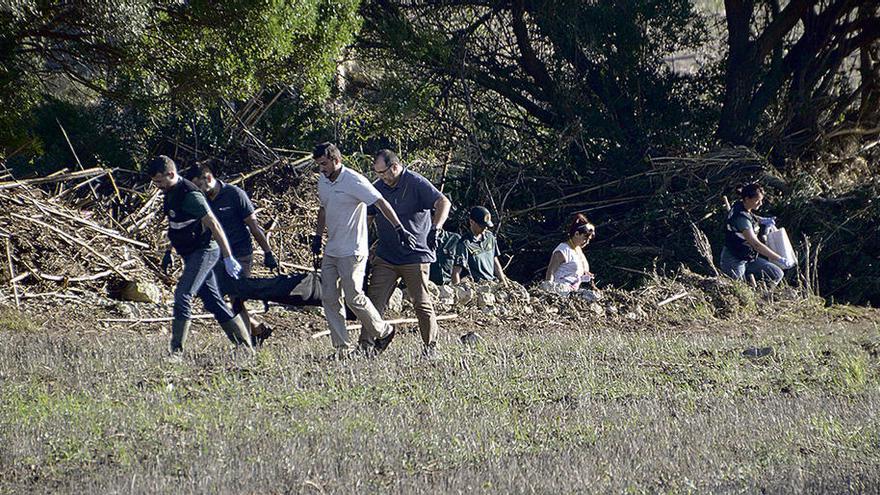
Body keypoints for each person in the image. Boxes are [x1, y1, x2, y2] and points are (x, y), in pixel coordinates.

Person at [311, 142, 415, 359]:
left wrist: (399, 228)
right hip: (332, 250)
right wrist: (318, 237)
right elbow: (323, 209)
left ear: (336, 160)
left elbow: (380, 202)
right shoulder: (323, 180)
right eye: (319, 165)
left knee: (354, 297)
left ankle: (384, 331)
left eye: (324, 164)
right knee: (329, 298)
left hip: (353, 250)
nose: (322, 169)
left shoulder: (354, 180)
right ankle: (342, 349)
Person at [148, 155, 252, 356]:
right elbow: (176, 225)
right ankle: (245, 348)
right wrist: (168, 251)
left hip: (204, 251)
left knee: (183, 295)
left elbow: (214, 224)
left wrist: (228, 257)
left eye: (160, 181)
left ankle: (176, 352)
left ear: (171, 173)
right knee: (213, 301)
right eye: (155, 182)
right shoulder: (170, 192)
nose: (158, 186)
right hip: (189, 252)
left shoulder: (190, 194)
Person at [366, 149, 452, 358]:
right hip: (386, 256)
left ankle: (431, 348)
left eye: (383, 172)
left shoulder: (415, 183)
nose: (380, 177)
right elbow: (367, 217)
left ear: (394, 167)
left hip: (415, 255)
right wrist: (363, 248)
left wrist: (436, 228)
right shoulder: (377, 189)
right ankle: (365, 346)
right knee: (373, 302)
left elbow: (443, 202)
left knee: (421, 302)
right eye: (377, 173)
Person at [186, 162, 278, 344]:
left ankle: (245, 343)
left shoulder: (235, 195)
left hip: (240, 254)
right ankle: (257, 329)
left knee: (236, 298)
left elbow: (254, 227)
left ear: (209, 179)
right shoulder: (200, 200)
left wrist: (268, 252)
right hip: (216, 256)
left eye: (198, 186)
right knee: (215, 299)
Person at [720, 183, 792, 285]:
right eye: (757, 200)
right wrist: (779, 258)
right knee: (739, 289)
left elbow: (751, 216)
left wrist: (763, 220)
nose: (760, 203)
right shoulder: (741, 219)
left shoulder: (742, 206)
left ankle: (764, 297)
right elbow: (756, 245)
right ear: (747, 199)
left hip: (748, 257)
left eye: (761, 200)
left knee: (776, 273)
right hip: (734, 260)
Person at [451, 206, 508, 285]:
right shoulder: (464, 244)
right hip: (477, 286)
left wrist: (503, 281)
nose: (485, 229)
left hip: (491, 283)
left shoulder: (490, 237)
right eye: (482, 226)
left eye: (486, 226)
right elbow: (456, 272)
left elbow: (495, 261)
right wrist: (457, 291)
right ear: (471, 222)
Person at [543, 213, 597, 295]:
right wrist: (548, 291)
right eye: (585, 238)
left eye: (588, 240)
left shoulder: (578, 250)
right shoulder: (563, 250)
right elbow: (550, 271)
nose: (587, 242)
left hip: (573, 291)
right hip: (560, 291)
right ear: (576, 234)